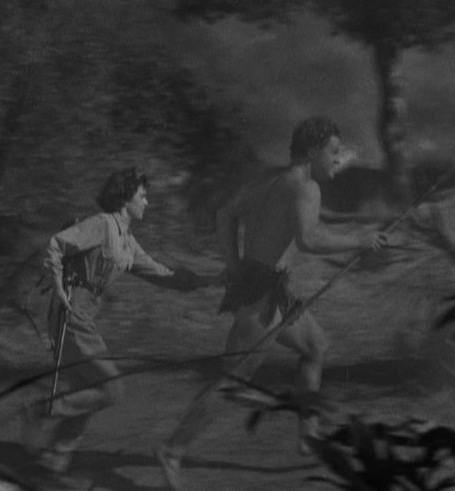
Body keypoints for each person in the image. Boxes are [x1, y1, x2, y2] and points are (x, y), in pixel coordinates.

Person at [157, 116, 388, 489]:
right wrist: (358, 242)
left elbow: (225, 215)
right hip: (261, 297)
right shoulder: (307, 187)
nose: (337, 158)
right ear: (311, 151)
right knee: (232, 382)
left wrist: (235, 266)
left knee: (315, 346)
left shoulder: (269, 179)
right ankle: (172, 450)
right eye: (333, 151)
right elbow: (309, 239)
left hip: (266, 288)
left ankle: (308, 435)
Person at [26, 166, 209, 472]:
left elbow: (159, 272)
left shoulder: (126, 240)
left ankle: (55, 457)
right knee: (110, 388)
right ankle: (42, 410)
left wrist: (205, 281)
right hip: (71, 313)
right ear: (125, 199)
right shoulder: (101, 225)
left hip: (85, 317)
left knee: (90, 388)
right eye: (142, 196)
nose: (146, 202)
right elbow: (56, 244)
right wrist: (57, 284)